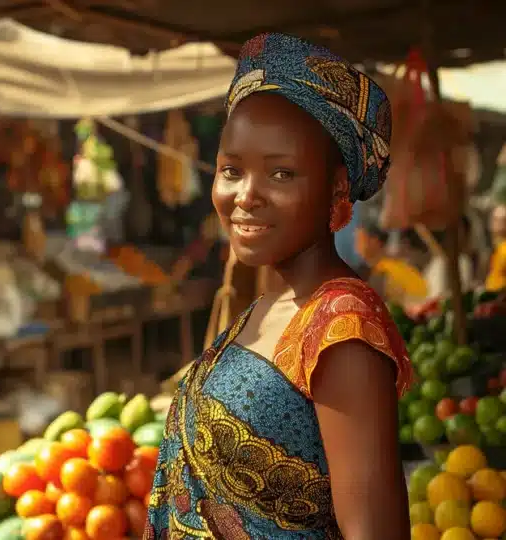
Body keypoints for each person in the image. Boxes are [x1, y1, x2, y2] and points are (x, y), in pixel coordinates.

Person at [145, 34, 413, 540]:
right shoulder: (269, 304)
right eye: (231, 170)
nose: (246, 196)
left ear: (335, 188)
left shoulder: (342, 332)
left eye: (281, 173)